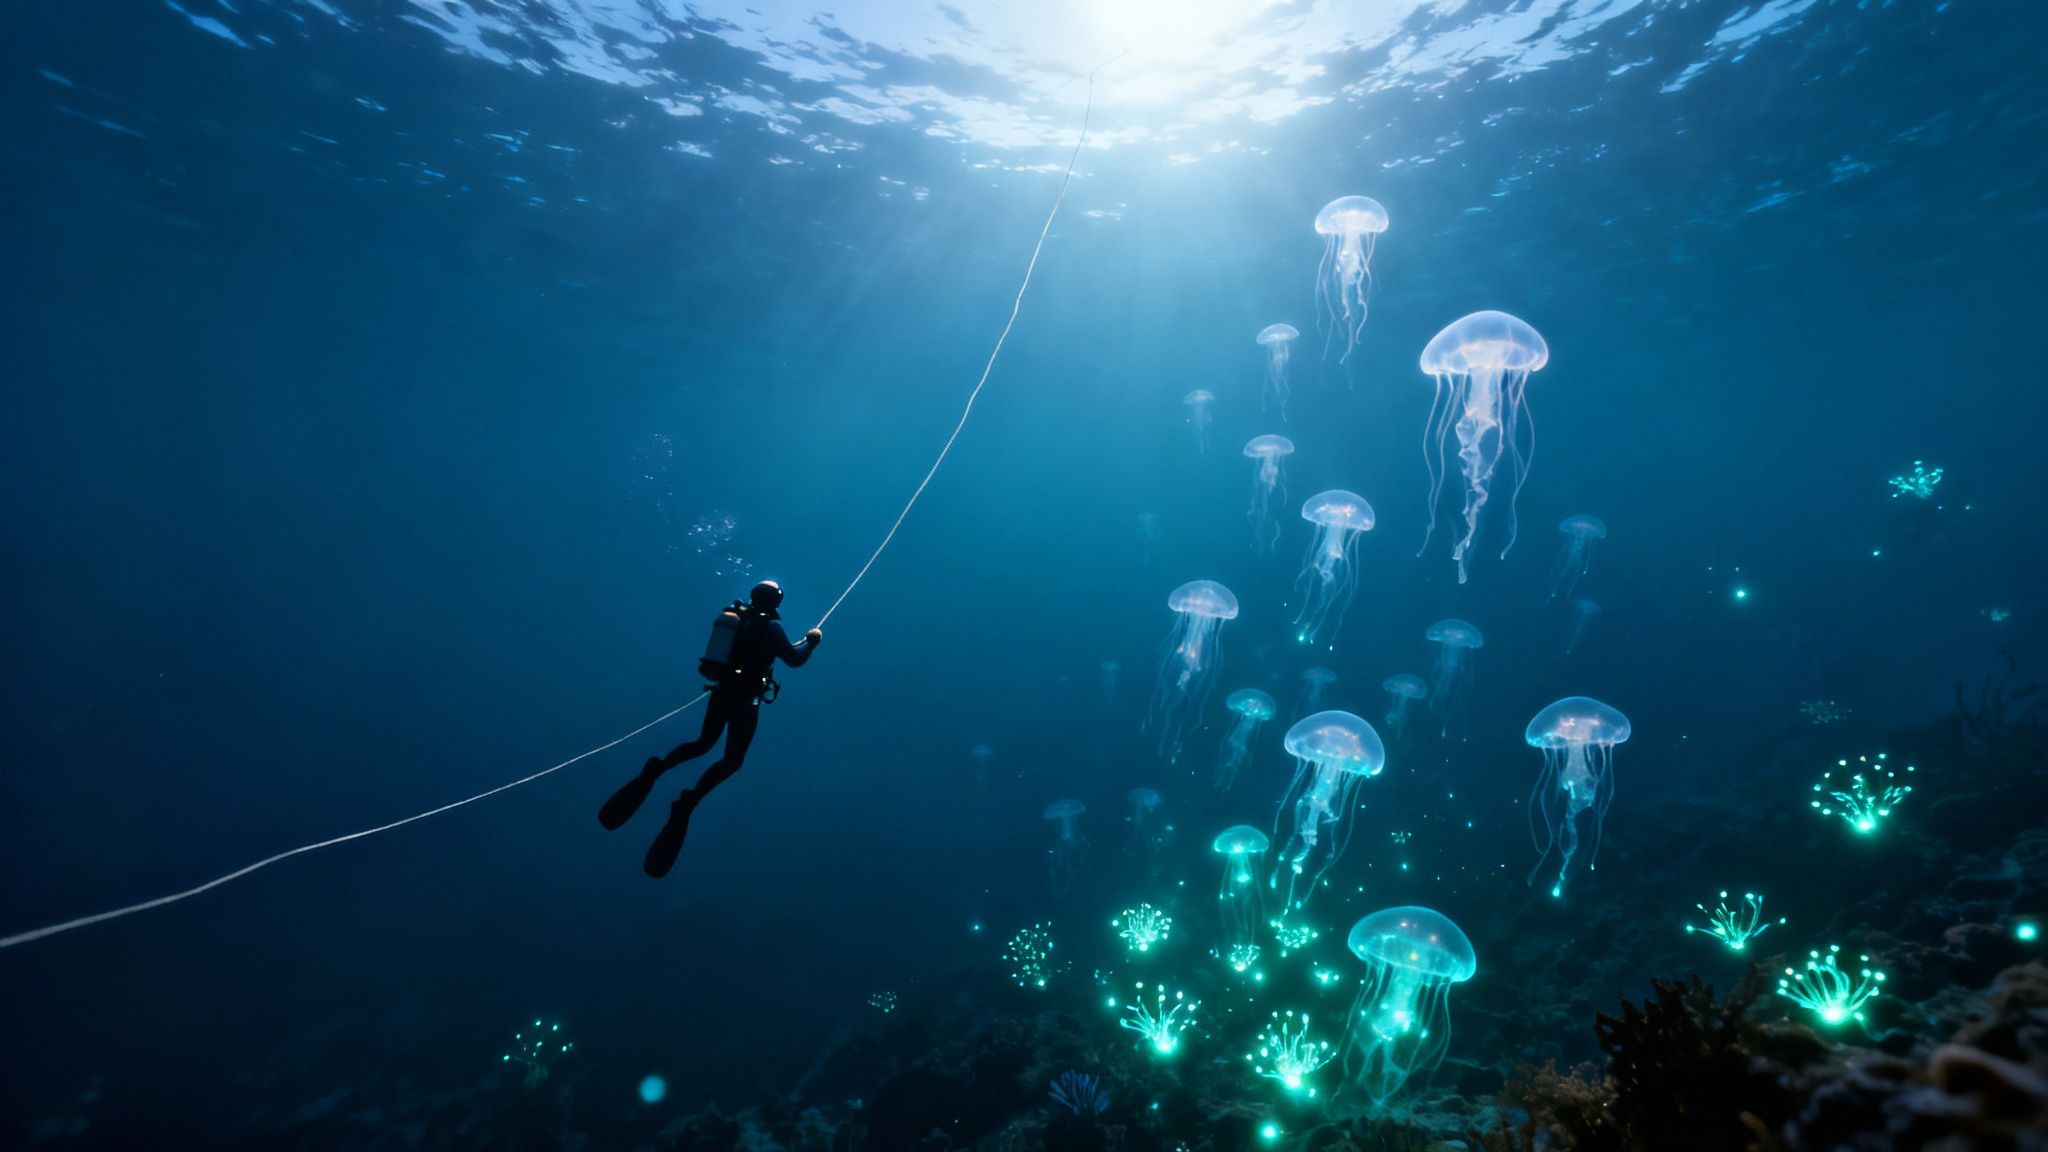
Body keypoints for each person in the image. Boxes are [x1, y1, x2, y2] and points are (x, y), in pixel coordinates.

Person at [600, 579, 821, 877]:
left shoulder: (737, 619)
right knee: (732, 760)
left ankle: (657, 768)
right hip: (745, 702)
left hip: (722, 693)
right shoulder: (770, 627)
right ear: (776, 601)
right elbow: (794, 660)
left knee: (703, 742)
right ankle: (688, 801)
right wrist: (812, 642)